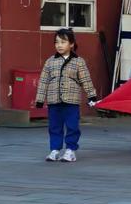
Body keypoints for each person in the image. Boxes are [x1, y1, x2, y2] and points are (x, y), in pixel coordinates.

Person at [36, 28, 97, 162]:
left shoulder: (78, 62)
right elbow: (43, 81)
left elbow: (85, 80)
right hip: (54, 101)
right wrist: (40, 99)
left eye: (63, 42)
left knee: (72, 126)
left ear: (71, 44)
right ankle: (55, 150)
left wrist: (92, 96)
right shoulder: (50, 61)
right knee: (54, 126)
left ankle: (70, 150)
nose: (59, 45)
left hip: (71, 101)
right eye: (56, 42)